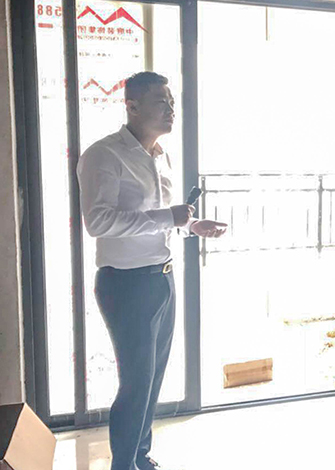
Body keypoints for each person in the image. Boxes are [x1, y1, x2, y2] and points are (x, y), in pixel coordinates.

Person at [77, 71, 227, 470]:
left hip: (162, 277)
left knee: (153, 378)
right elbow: (99, 221)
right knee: (136, 384)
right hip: (125, 283)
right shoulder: (103, 155)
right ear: (131, 106)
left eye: (172, 102)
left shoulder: (161, 156)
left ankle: (140, 457)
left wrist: (191, 225)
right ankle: (123, 465)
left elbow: (161, 218)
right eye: (161, 102)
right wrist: (168, 217)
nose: (171, 109)